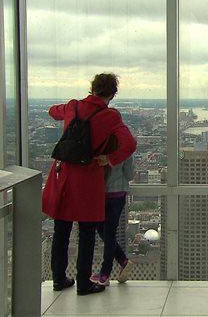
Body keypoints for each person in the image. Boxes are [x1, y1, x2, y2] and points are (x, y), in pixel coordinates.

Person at [42, 73, 136, 296]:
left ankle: (58, 278)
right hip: (88, 180)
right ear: (112, 95)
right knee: (86, 234)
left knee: (61, 231)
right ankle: (84, 283)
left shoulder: (73, 106)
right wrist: (109, 159)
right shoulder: (110, 116)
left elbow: (53, 111)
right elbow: (130, 144)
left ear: (92, 88)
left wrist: (66, 111)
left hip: (64, 177)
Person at [90, 135, 136, 286]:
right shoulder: (124, 147)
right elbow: (130, 175)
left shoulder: (97, 143)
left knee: (104, 232)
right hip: (117, 195)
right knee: (108, 233)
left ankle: (105, 273)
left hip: (99, 193)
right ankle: (121, 261)